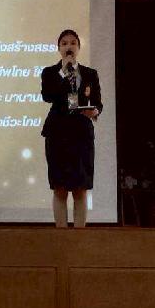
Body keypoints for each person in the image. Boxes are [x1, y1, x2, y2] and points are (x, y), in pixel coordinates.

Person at [40, 29, 103, 228]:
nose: (69, 46)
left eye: (73, 43)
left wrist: (95, 111)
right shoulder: (50, 72)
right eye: (64, 43)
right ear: (59, 48)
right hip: (57, 134)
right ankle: (61, 234)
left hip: (81, 135)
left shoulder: (90, 73)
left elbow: (98, 102)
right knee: (59, 187)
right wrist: (63, 73)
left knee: (80, 188)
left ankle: (79, 235)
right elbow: (48, 95)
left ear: (78, 48)